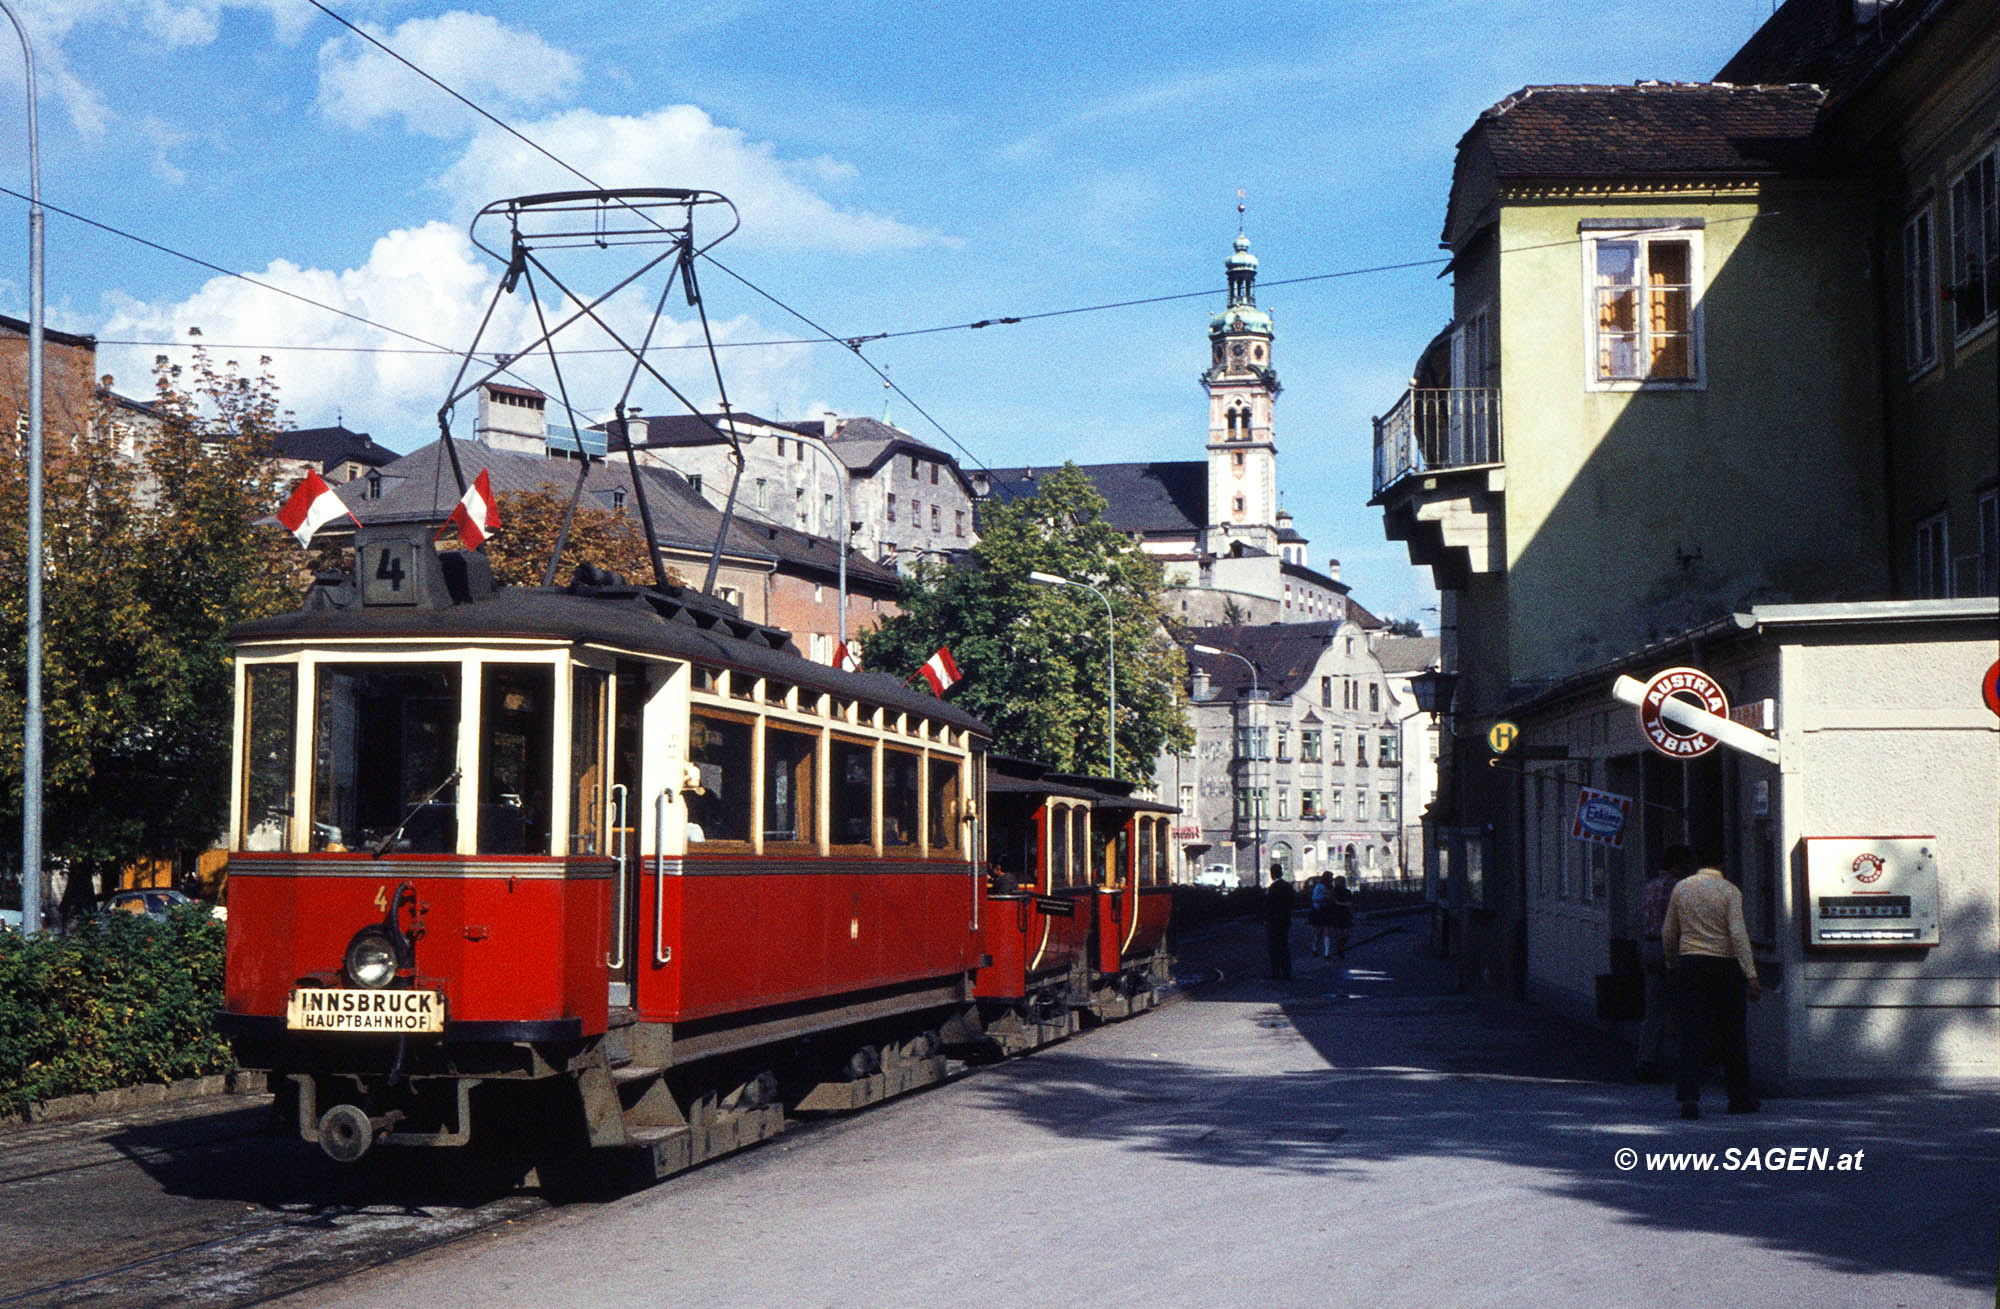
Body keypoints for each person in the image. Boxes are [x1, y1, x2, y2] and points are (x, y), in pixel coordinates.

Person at [1662, 846, 1762, 1119]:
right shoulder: (1730, 891)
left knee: (1690, 1032)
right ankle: (1739, 1097)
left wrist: (1672, 964)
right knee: (1732, 1032)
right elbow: (1738, 934)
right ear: (1723, 862)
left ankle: (1689, 1098)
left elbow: (1669, 931)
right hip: (1724, 965)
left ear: (1697, 863)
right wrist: (1750, 974)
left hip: (1691, 962)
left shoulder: (1682, 888)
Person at [1634, 845, 1695, 1082]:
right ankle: (1689, 1060)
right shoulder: (1676, 888)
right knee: (1684, 1005)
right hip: (1669, 947)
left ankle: (1645, 1060)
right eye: (1686, 865)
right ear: (1677, 865)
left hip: (1649, 945)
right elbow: (1677, 923)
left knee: (1654, 1009)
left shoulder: (1650, 886)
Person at [1264, 863, 1296, 980]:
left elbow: (1268, 905)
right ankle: (1287, 971)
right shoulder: (1287, 886)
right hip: (1285, 920)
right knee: (1284, 946)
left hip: (1273, 921)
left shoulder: (1272, 888)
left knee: (1274, 947)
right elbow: (1292, 901)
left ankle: (1275, 972)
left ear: (1272, 874)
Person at [1308, 871, 1335, 957]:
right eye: (1331, 877)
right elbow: (1314, 898)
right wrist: (1324, 897)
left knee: (1327, 931)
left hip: (1327, 910)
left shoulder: (1330, 887)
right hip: (1320, 910)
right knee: (1319, 931)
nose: (1332, 879)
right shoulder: (1319, 886)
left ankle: (1326, 952)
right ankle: (1314, 948)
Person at [1329, 874, 1356, 960]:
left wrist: (1339, 903)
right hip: (1339, 914)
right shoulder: (1334, 892)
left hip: (1342, 914)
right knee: (1341, 933)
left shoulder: (1345, 892)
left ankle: (1340, 948)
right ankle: (1340, 949)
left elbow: (1350, 903)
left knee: (1344, 934)